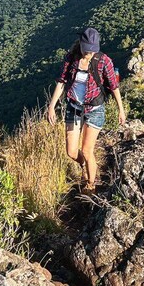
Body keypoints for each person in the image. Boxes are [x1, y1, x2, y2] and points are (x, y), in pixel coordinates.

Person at [47, 27, 125, 193]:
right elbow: (61, 82)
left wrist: (121, 109)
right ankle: (85, 165)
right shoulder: (71, 58)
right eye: (87, 50)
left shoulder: (103, 61)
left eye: (93, 51)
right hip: (74, 107)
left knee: (87, 150)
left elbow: (114, 86)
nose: (89, 54)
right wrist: (51, 106)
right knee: (71, 151)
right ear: (81, 45)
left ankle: (91, 185)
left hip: (95, 109)